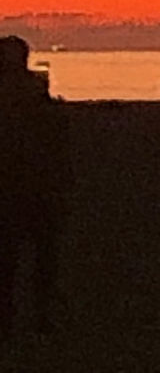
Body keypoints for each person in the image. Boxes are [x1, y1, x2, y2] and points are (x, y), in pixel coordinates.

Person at [0, 36, 69, 343]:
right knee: (30, 257)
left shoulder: (31, 91)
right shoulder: (33, 90)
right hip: (27, 185)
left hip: (27, 185)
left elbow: (54, 140)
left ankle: (29, 315)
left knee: (20, 257)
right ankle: (36, 315)